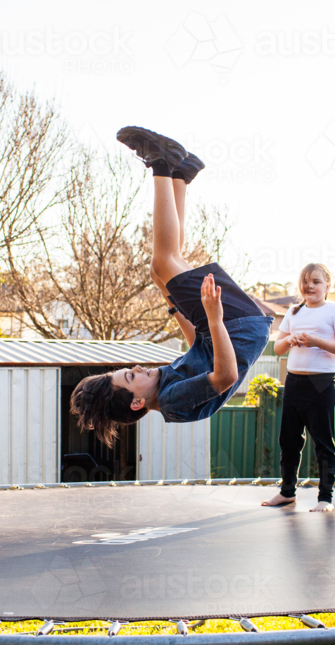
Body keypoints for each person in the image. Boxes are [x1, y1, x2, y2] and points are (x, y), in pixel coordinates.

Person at [70, 127, 272, 446]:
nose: (136, 367)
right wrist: (214, 319)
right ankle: (161, 163)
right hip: (237, 327)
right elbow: (226, 377)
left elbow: (197, 347)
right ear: (138, 403)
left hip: (232, 329)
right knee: (166, 260)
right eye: (130, 376)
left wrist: (173, 304)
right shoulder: (172, 400)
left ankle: (181, 175)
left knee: (158, 269)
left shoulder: (163, 383)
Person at [261, 263, 335, 512]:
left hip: (320, 384)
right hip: (294, 382)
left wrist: (316, 342)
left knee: (323, 442)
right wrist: (289, 340)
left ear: (327, 286)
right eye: (305, 281)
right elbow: (277, 347)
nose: (309, 286)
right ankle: (287, 492)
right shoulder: (293, 311)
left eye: (316, 281)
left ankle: (325, 498)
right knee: (288, 441)